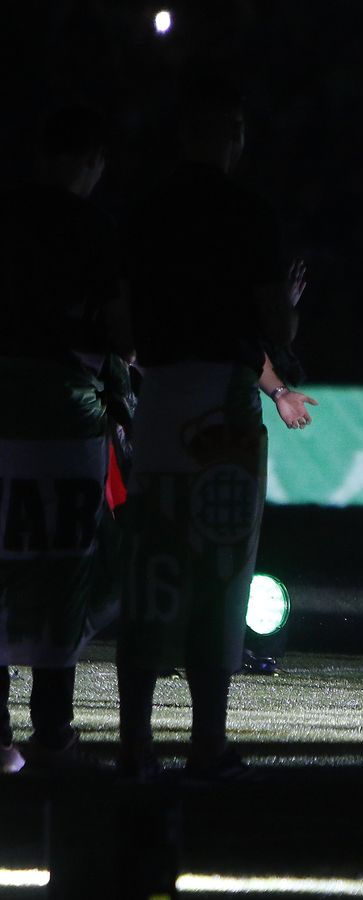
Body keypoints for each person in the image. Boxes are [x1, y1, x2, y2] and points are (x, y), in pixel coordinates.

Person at [119, 73, 316, 781]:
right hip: (227, 407)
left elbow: (124, 321)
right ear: (232, 135)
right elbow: (270, 324)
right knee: (222, 570)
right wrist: (288, 314)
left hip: (162, 396)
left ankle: (135, 742)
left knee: (153, 563)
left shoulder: (147, 212)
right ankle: (207, 741)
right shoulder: (248, 214)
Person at [0, 106, 131, 774]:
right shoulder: (92, 227)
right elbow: (119, 327)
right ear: (89, 163)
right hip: (64, 408)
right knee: (67, 561)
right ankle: (53, 730)